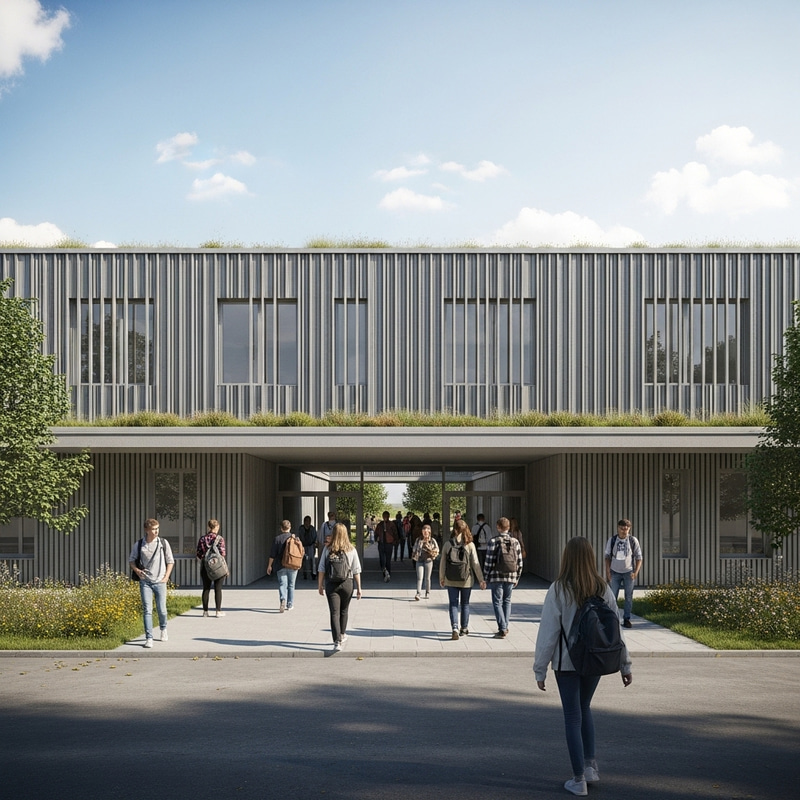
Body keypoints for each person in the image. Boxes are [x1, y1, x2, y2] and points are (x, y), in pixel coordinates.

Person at [534, 536, 633, 797]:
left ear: (567, 557)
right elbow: (616, 631)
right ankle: (590, 766)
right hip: (596, 659)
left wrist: (539, 669)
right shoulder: (603, 588)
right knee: (585, 707)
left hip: (567, 663)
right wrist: (625, 665)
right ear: (590, 557)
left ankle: (578, 780)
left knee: (572, 716)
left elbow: (548, 633)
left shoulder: (558, 589)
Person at [129, 518, 175, 648]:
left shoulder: (163, 543)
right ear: (146, 530)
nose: (156, 531)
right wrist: (137, 570)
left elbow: (170, 561)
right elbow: (131, 560)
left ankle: (163, 628)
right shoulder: (139, 545)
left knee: (162, 609)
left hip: (160, 581)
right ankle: (149, 638)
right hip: (145, 582)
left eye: (157, 529)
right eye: (153, 529)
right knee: (147, 610)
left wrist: (166, 577)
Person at [318, 522, 362, 651]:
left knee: (334, 612)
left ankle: (337, 641)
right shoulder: (351, 549)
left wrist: (320, 585)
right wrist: (359, 588)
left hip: (331, 584)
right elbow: (356, 570)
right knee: (344, 611)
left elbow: (321, 568)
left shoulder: (328, 549)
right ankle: (342, 634)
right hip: (347, 583)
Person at [439, 518, 485, 639]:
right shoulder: (470, 545)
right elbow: (475, 563)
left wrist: (441, 577)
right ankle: (464, 628)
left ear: (455, 530)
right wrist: (481, 579)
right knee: (465, 604)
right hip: (466, 580)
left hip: (451, 579)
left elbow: (443, 562)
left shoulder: (448, 544)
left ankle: (454, 627)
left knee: (453, 604)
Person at [483, 517, 523, 638]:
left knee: (497, 602)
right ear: (509, 527)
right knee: (507, 601)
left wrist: (486, 576)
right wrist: (517, 577)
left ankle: (503, 628)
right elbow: (520, 562)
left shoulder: (493, 541)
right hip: (511, 576)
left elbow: (488, 561)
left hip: (496, 576)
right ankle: (505, 626)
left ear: (498, 527)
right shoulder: (515, 542)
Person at [604, 518, 642, 628]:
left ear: (629, 529)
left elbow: (639, 557)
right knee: (612, 596)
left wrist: (636, 572)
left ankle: (626, 618)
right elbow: (607, 557)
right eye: (622, 529)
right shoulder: (612, 540)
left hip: (628, 572)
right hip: (614, 572)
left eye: (626, 529)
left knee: (628, 597)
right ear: (618, 528)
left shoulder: (633, 540)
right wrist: (608, 572)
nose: (624, 531)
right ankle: (612, 618)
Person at [267, 520, 300, 612]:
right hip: (292, 564)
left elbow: (272, 554)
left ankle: (283, 600)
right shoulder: (295, 538)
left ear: (281, 528)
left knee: (282, 584)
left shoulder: (277, 539)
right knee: (291, 585)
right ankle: (290, 604)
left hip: (280, 565)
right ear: (290, 527)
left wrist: (269, 566)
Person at [196, 518, 226, 618]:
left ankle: (205, 612)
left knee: (206, 588)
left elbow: (199, 553)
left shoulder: (202, 539)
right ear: (217, 527)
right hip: (217, 567)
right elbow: (222, 554)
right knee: (218, 589)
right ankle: (218, 611)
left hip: (205, 566)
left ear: (208, 527)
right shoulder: (220, 539)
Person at [412, 523, 440, 600]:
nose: (425, 533)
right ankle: (418, 593)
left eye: (427, 531)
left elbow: (437, 550)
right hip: (420, 560)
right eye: (424, 531)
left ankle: (427, 592)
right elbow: (414, 549)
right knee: (419, 577)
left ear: (430, 532)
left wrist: (431, 550)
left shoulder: (432, 540)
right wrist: (415, 554)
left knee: (427, 578)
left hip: (428, 560)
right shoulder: (418, 540)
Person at [375, 511, 398, 582]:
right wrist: (376, 538)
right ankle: (384, 571)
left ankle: (388, 572)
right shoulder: (380, 524)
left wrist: (395, 541)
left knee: (388, 560)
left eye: (386, 516)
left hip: (389, 544)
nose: (385, 517)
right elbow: (376, 532)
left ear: (388, 516)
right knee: (382, 559)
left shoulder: (392, 524)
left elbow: (395, 533)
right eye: (384, 516)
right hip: (381, 543)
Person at [299, 515, 317, 579]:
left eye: (309, 521)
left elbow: (315, 537)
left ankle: (313, 573)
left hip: (311, 545)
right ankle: (305, 573)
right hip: (303, 546)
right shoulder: (301, 528)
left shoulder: (312, 528)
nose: (307, 522)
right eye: (306, 521)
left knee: (312, 560)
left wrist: (314, 544)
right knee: (304, 560)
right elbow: (300, 536)